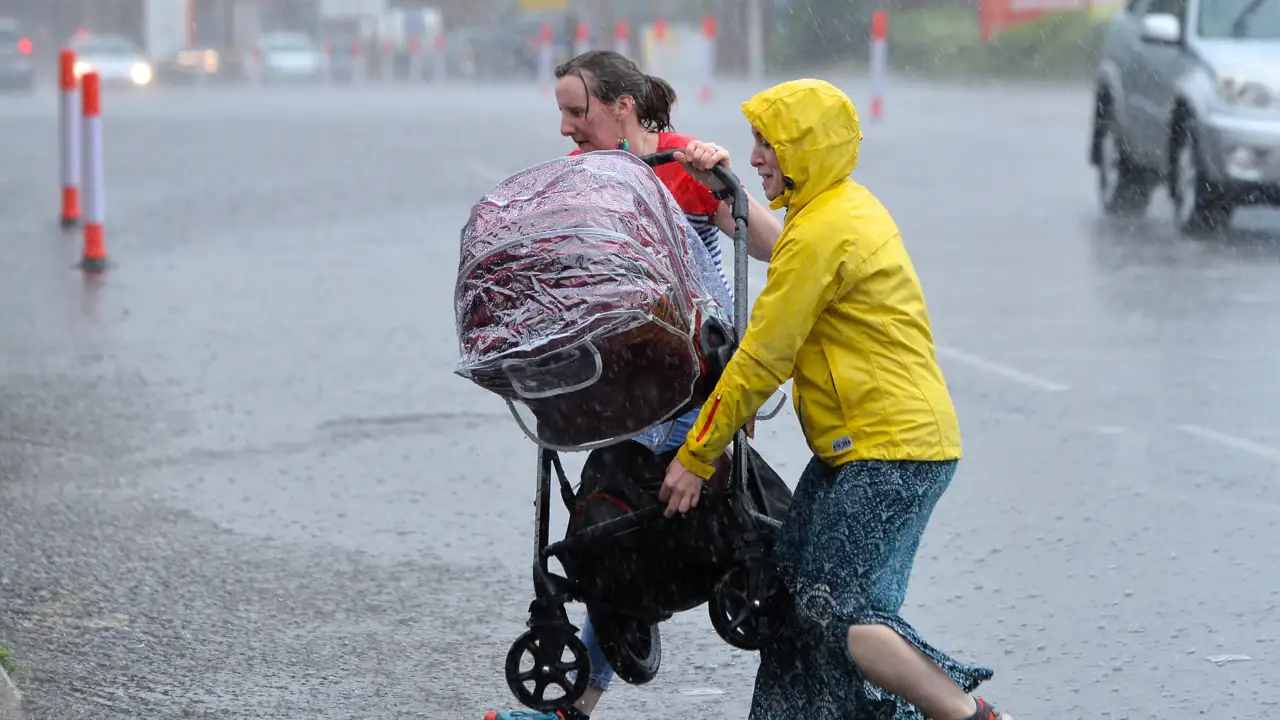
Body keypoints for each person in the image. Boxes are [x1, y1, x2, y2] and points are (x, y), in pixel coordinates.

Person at [658, 78, 1015, 720]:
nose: (759, 157)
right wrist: (720, 191)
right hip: (866, 449)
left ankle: (970, 716)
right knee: (795, 608)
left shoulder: (822, 233)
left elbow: (763, 357)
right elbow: (766, 243)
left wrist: (697, 454)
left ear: (804, 149)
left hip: (891, 452)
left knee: (840, 614)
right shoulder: (833, 210)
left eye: (768, 145)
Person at [483, 51, 783, 720]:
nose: (565, 127)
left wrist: (725, 178)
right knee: (618, 536)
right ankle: (578, 695)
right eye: (560, 111)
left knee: (648, 536)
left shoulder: (680, 167)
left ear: (622, 107)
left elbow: (769, 245)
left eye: (575, 110)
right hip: (621, 391)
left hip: (691, 388)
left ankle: (866, 682)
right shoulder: (581, 180)